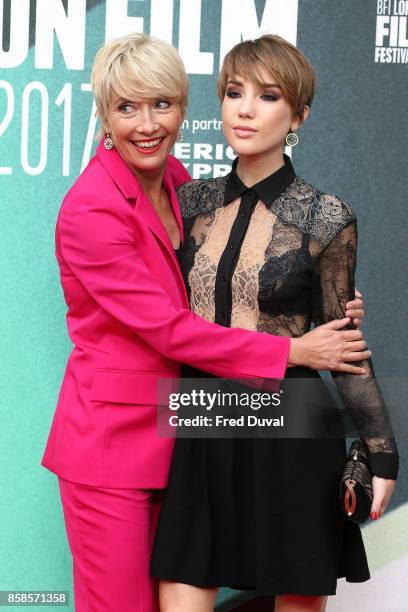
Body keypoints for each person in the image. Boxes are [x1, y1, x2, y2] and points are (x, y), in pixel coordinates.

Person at [41, 33, 368, 612]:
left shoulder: (178, 183)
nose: (147, 125)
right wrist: (291, 352)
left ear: (183, 110)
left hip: (188, 436)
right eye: (127, 107)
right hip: (112, 450)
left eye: (161, 105)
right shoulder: (91, 209)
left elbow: (225, 281)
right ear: (104, 114)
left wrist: (313, 296)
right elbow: (169, 327)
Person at [150, 35, 399, 612]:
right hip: (201, 429)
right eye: (235, 92)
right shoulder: (188, 202)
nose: (244, 108)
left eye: (267, 96)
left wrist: (382, 453)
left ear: (299, 115)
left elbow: (343, 345)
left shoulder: (327, 216)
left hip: (293, 435)